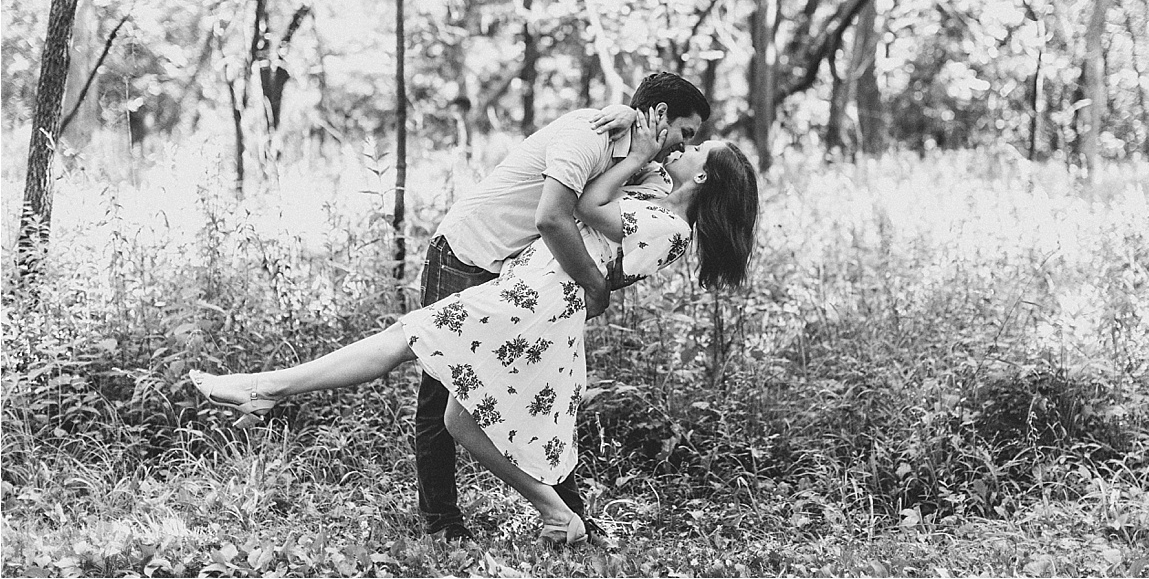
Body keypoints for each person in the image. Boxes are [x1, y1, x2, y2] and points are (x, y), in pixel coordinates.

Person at [190, 108, 759, 547]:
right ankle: (558, 513)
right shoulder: (663, 204)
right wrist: (634, 131)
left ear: (703, 175)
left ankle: (263, 388)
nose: (681, 147)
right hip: (532, 298)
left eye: (694, 148)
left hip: (533, 303)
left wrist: (638, 156)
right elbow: (622, 151)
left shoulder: (670, 229)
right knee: (459, 417)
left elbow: (586, 205)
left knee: (403, 341)